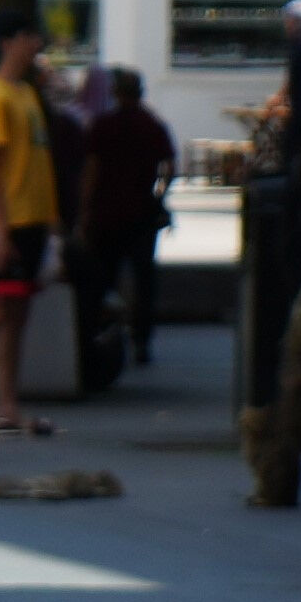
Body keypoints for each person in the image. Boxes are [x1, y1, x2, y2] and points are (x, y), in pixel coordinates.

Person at [0, 21, 62, 442]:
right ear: (7, 40)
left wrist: (53, 226)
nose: (36, 44)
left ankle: (9, 405)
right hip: (5, 221)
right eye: (28, 35)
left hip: (33, 219)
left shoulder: (25, 93)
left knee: (18, 316)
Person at [74, 63, 176, 386]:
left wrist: (84, 209)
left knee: (103, 277)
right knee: (144, 278)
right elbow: (170, 165)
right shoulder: (153, 124)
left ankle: (98, 333)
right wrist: (159, 193)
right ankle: (142, 340)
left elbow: (91, 169)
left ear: (116, 93)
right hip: (142, 212)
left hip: (107, 213)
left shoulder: (103, 125)